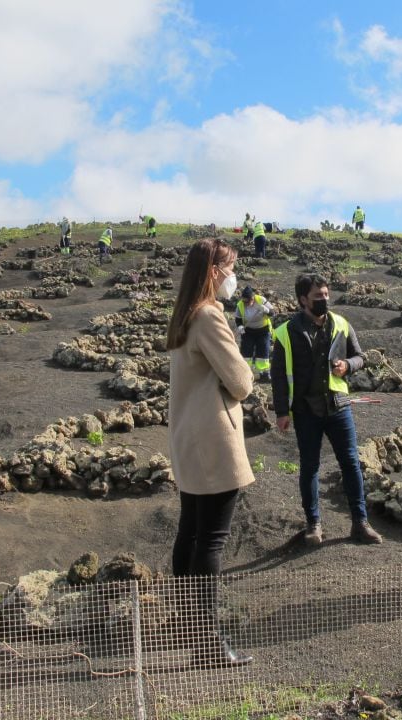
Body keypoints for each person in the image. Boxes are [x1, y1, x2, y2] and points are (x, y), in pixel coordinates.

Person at [167, 237, 255, 667]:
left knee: (192, 531)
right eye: (230, 267)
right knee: (213, 539)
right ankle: (207, 641)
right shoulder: (209, 316)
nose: (233, 276)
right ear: (214, 272)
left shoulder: (184, 315)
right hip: (214, 437)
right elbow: (241, 381)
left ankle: (186, 624)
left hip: (188, 436)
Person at [271, 273, 383, 546]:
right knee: (310, 467)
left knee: (351, 463)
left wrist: (348, 365)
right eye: (318, 296)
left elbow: (360, 357)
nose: (324, 299)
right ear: (302, 300)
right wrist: (282, 412)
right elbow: (277, 375)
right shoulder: (285, 332)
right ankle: (313, 526)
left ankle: (360, 523)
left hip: (338, 405)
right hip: (306, 408)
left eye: (326, 294)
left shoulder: (342, 324)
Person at [235, 286, 274, 382]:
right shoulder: (240, 305)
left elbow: (273, 313)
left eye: (247, 301)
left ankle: (264, 373)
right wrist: (240, 327)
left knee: (263, 350)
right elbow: (238, 319)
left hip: (263, 330)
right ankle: (245, 373)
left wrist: (266, 310)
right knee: (246, 352)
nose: (246, 303)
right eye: (244, 301)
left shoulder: (261, 300)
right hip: (248, 331)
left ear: (252, 298)